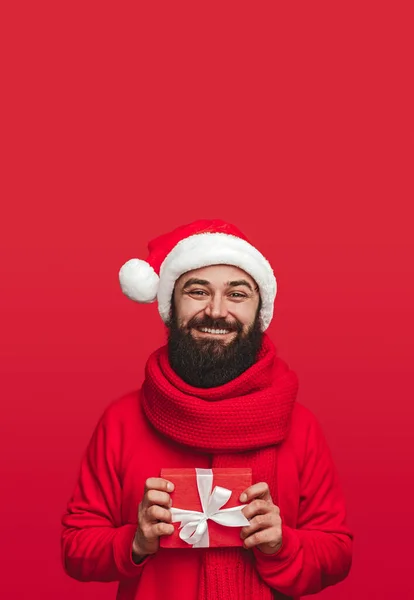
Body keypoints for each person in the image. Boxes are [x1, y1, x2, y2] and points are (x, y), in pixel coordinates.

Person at [61, 219, 353, 600]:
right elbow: (75, 548)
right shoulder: (122, 420)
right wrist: (135, 541)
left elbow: (337, 554)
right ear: (171, 305)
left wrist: (281, 544)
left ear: (259, 311)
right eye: (197, 291)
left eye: (237, 294)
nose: (216, 311)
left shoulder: (300, 425)